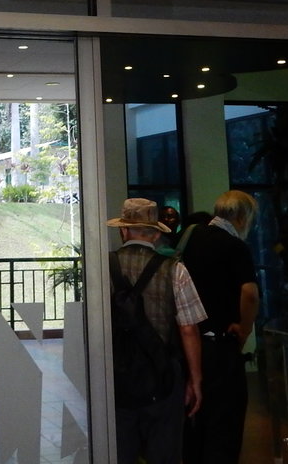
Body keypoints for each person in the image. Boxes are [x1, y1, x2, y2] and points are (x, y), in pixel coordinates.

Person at [106, 198, 206, 464]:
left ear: (123, 231)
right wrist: (195, 380)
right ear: (156, 234)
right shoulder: (175, 269)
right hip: (162, 378)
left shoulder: (102, 268)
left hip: (115, 377)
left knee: (119, 453)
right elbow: (189, 328)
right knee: (165, 454)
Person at [181, 190, 259, 464]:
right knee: (224, 424)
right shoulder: (235, 246)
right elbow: (249, 293)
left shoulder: (189, 238)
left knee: (195, 422)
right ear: (242, 217)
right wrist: (244, 328)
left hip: (189, 344)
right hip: (221, 346)